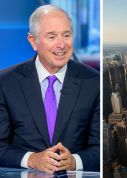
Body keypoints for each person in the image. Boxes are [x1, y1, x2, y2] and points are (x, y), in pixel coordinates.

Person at [0, 5, 100, 173]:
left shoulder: (94, 81)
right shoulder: (5, 82)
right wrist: (31, 159)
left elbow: (101, 147)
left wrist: (74, 161)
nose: (61, 44)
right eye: (52, 36)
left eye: (66, 35)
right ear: (33, 41)